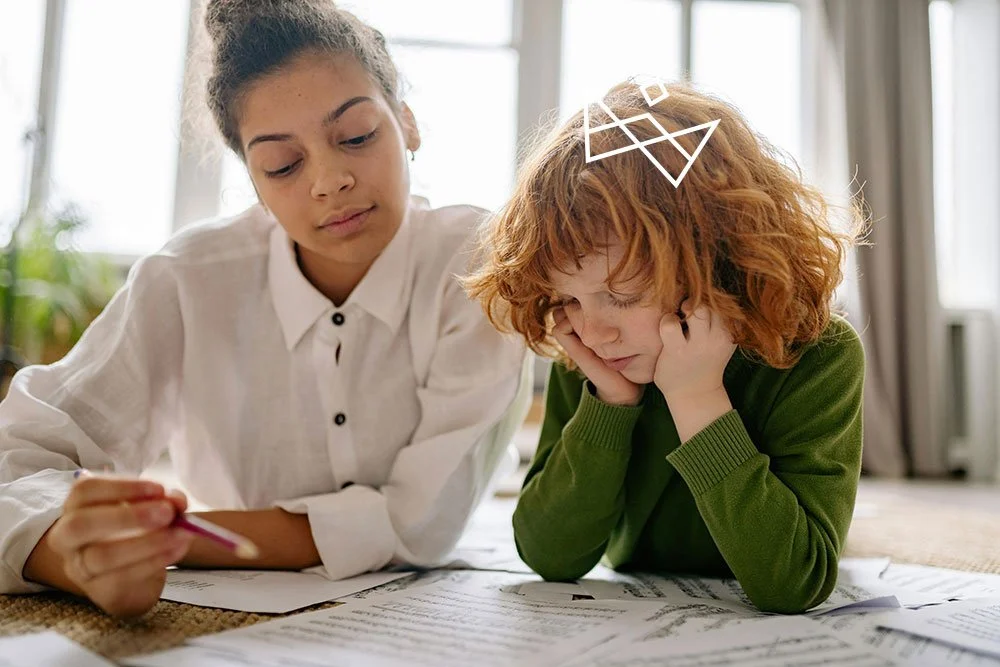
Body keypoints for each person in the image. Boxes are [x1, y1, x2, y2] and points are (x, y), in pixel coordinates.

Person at [0, 0, 529, 617]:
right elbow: (18, 456)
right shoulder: (186, 280)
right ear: (251, 179)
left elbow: (417, 524)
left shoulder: (476, 264)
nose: (329, 181)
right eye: (282, 164)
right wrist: (73, 551)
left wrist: (177, 538)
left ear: (408, 123)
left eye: (357, 136)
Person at [466, 80, 866, 614]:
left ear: (719, 257)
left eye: (622, 294)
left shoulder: (820, 357)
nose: (595, 331)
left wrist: (697, 397)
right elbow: (550, 556)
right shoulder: (590, 359)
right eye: (570, 299)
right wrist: (610, 406)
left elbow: (794, 582)